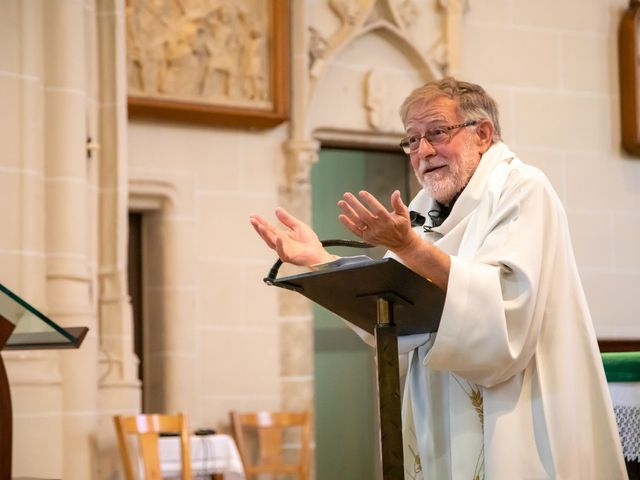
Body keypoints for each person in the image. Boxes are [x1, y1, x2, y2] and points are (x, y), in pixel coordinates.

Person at [249, 78, 628, 479]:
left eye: (437, 133)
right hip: (441, 417)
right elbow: (389, 308)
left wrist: (411, 248)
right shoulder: (423, 209)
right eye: (412, 140)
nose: (423, 151)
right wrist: (319, 261)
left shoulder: (523, 189)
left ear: (482, 134)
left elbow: (506, 315)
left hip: (518, 408)